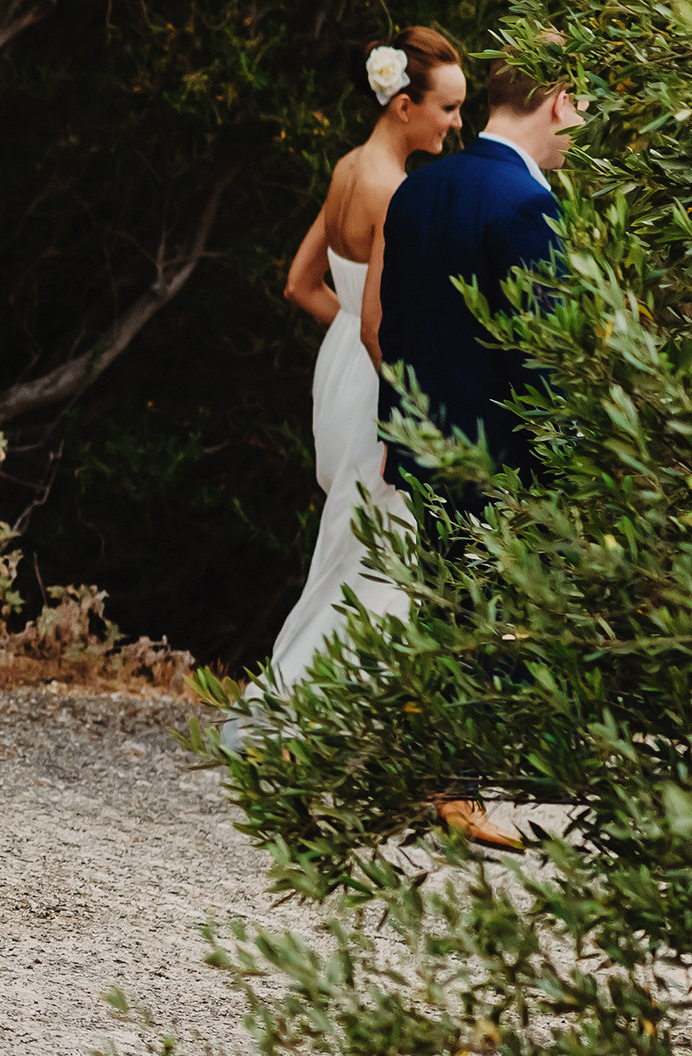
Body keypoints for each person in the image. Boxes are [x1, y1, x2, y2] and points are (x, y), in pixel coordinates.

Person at [364, 51, 582, 849]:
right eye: (577, 109)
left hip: (426, 441)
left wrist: (398, 429)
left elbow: (394, 326)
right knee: (491, 615)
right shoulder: (528, 206)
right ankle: (460, 784)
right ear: (554, 104)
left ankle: (443, 777)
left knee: (448, 604)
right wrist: (572, 466)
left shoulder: (422, 188)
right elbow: (546, 354)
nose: (576, 131)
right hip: (502, 453)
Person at [224, 29, 463, 755]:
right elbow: (377, 330)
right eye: (447, 108)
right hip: (376, 386)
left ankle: (306, 714)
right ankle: (305, 719)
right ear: (402, 106)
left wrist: (354, 336)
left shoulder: (346, 169)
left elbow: (301, 284)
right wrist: (418, 414)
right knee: (380, 556)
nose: (456, 123)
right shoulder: (402, 194)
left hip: (340, 378)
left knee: (349, 549)